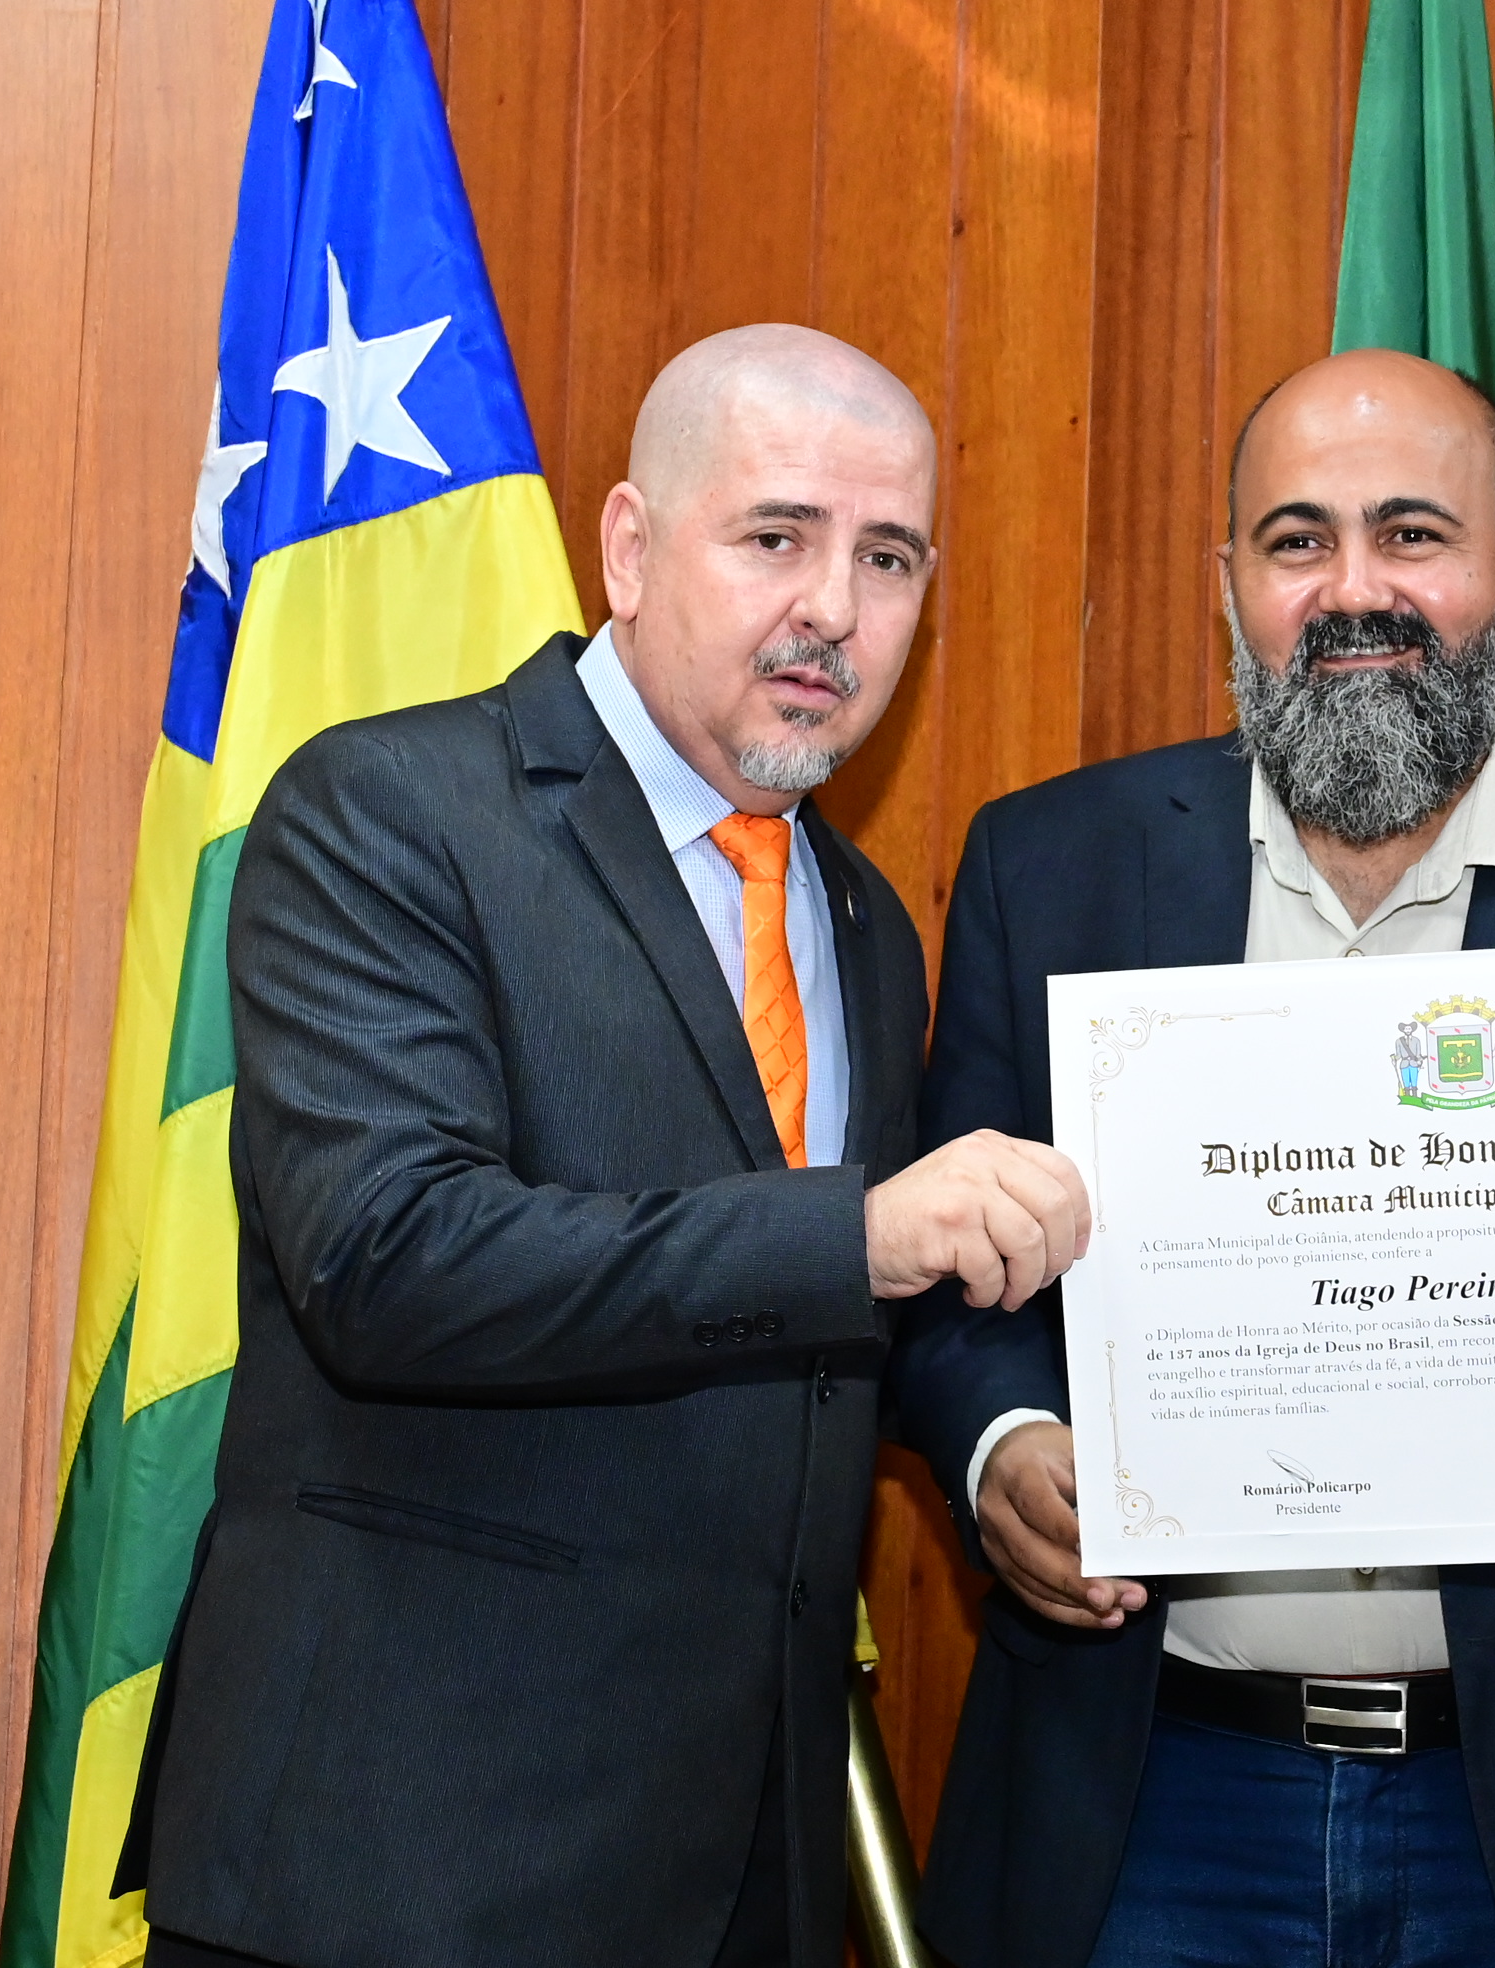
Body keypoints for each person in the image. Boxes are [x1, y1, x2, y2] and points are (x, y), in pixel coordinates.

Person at [119, 324, 1091, 1968]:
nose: (834, 610)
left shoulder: (864, 923)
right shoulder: (390, 809)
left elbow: (825, 1348)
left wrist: (1030, 1442)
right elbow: (389, 1261)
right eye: (776, 537)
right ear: (629, 550)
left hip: (739, 1879)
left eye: (889, 559)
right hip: (400, 1871)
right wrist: (855, 1233)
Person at [893, 347, 1495, 1968]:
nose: (1354, 590)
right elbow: (949, 1279)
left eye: (1414, 534)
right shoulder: (1052, 868)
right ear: (1228, 585)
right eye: (1297, 540)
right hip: (1150, 1794)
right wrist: (1002, 1445)